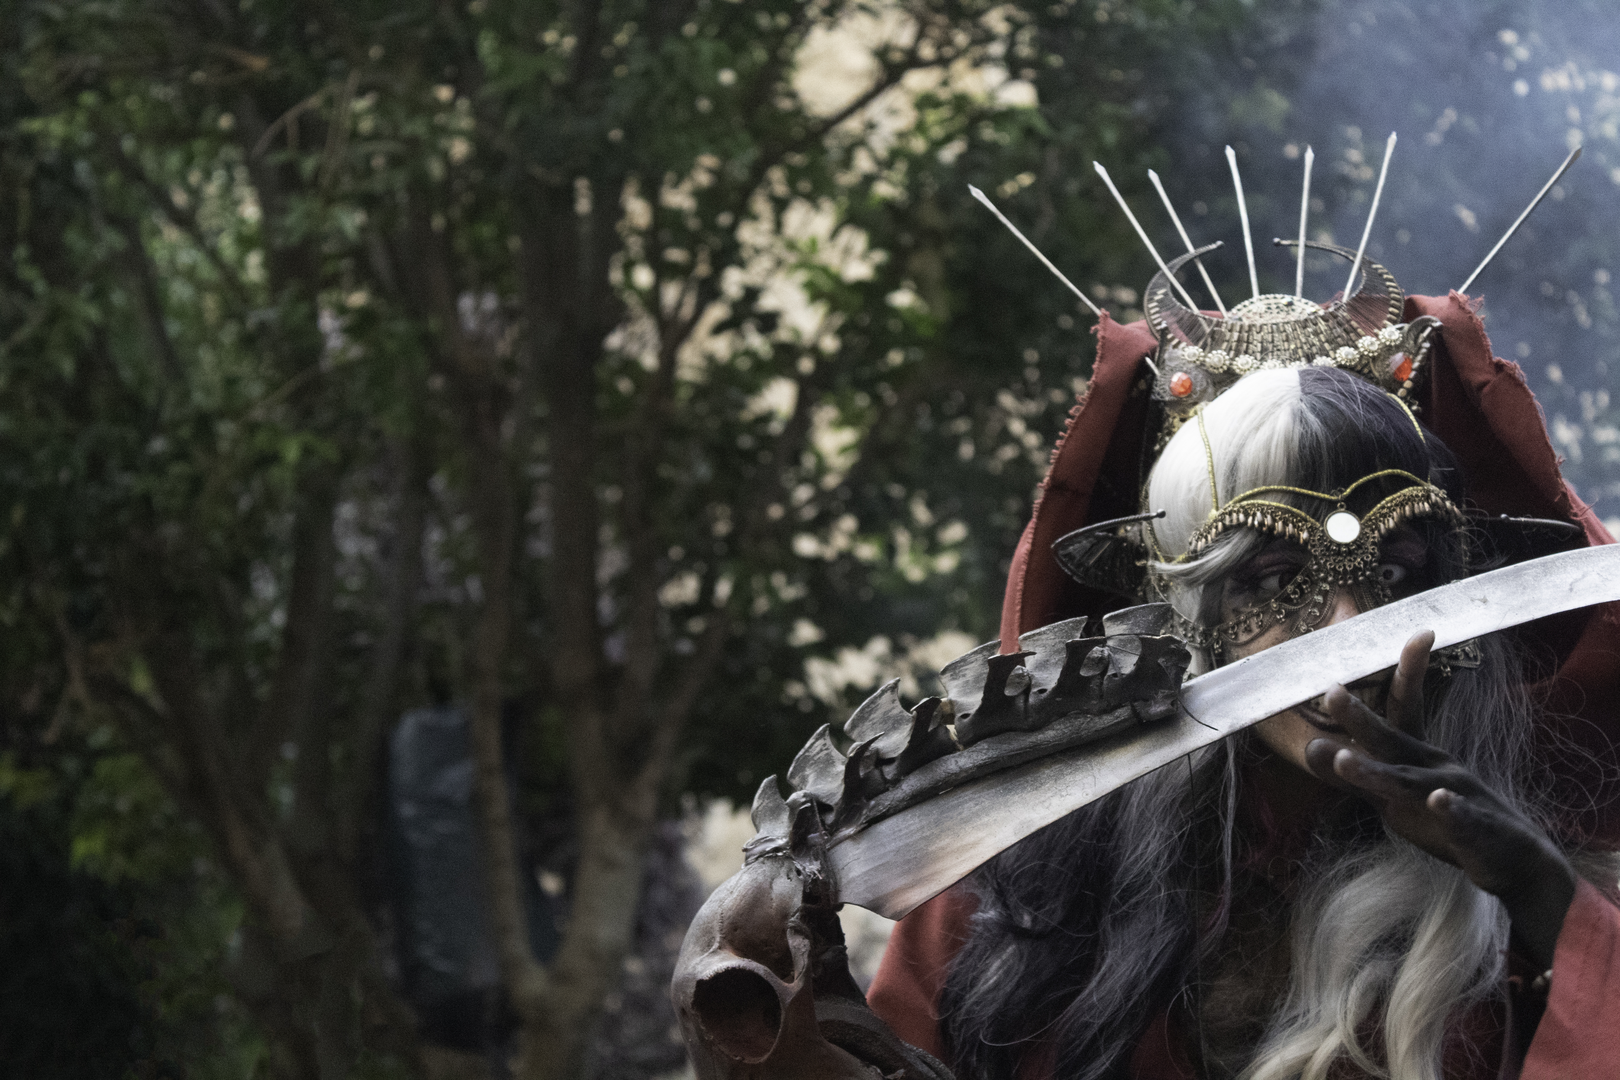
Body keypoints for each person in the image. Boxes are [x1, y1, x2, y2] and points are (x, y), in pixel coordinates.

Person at [674, 260, 1620, 1078]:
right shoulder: (1011, 896)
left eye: (1399, 577)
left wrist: (1534, 889)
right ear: (1182, 608)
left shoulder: (1528, 905)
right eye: (1276, 577)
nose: (1349, 627)